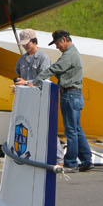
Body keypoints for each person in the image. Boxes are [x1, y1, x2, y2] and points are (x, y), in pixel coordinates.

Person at [37, 29, 92, 173]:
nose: (57, 47)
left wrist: (36, 80)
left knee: (71, 131)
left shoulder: (69, 55)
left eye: (57, 43)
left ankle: (71, 162)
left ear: (64, 40)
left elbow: (55, 68)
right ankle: (86, 160)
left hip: (70, 94)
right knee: (77, 129)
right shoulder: (72, 53)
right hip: (75, 95)